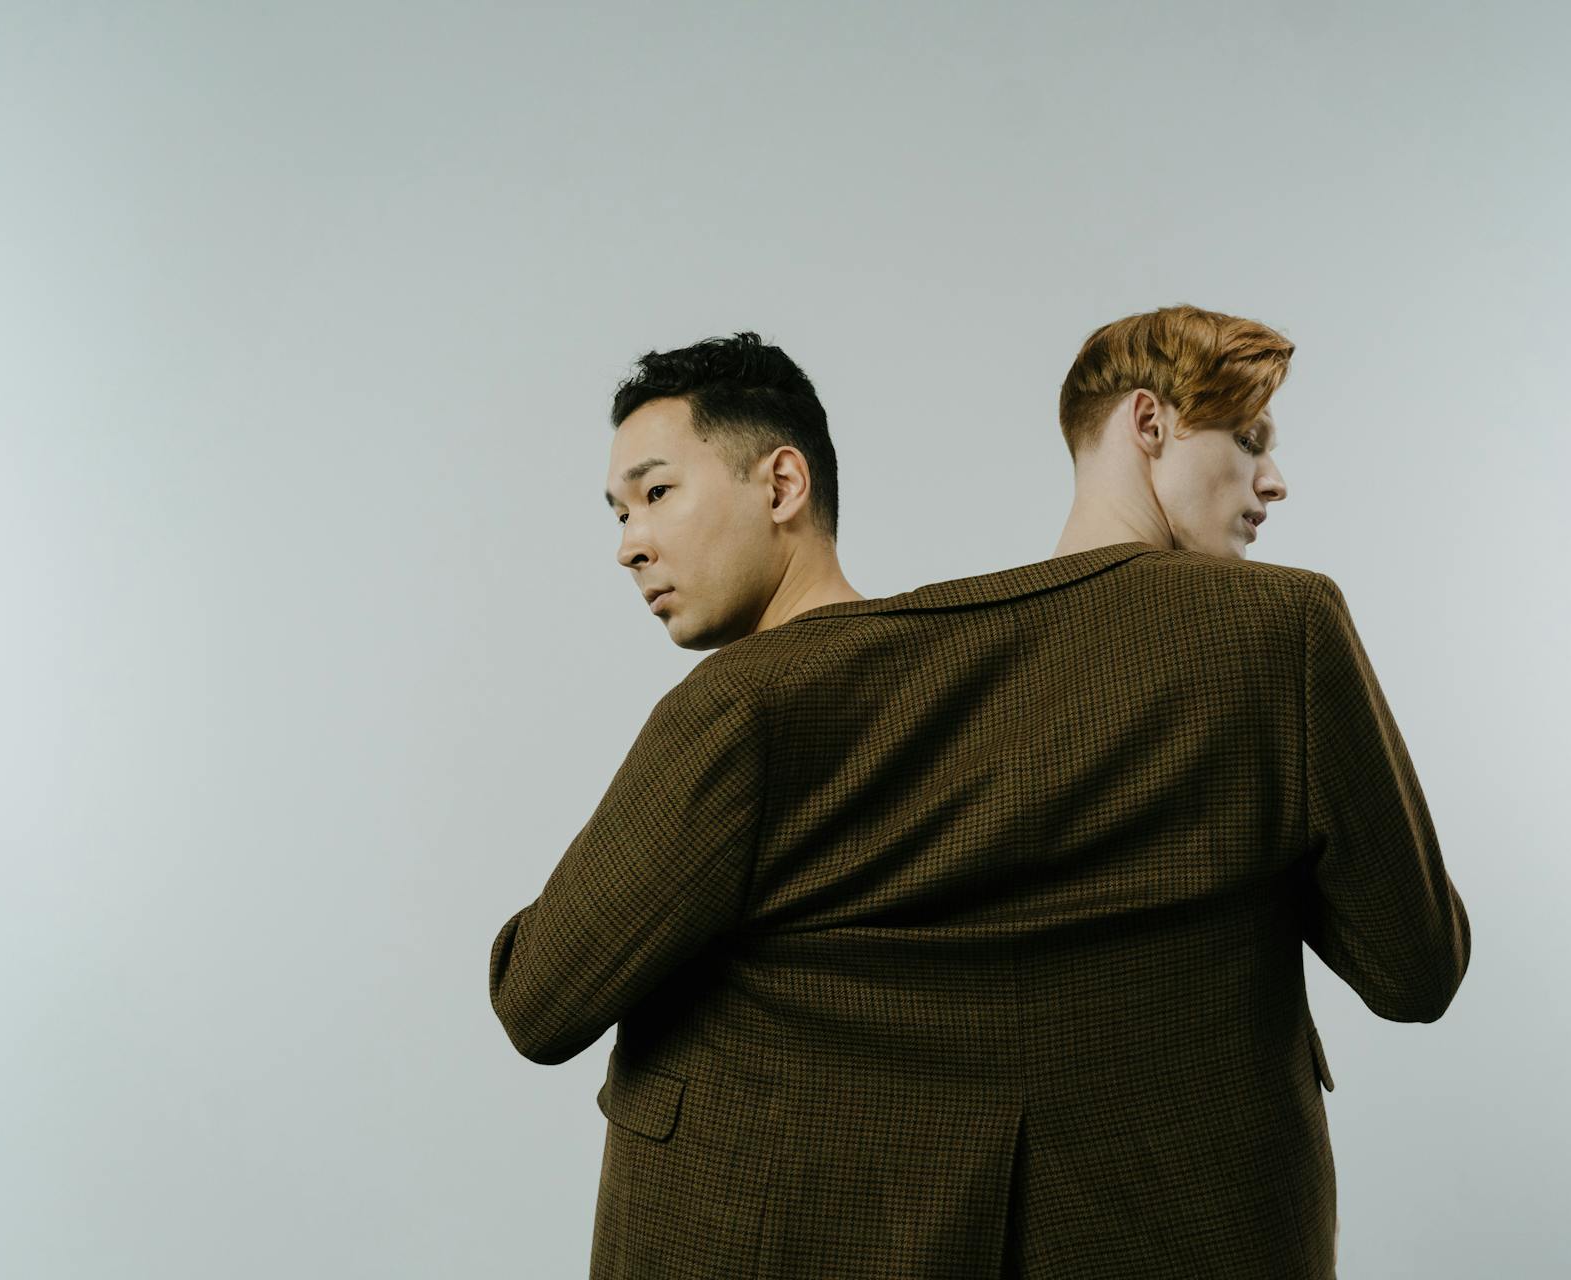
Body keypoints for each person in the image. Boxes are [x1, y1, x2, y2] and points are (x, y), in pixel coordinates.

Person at [489, 313, 1471, 1279]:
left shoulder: (749, 706)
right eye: (622, 511)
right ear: (1148, 426)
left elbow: (540, 995)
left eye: (654, 493)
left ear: (783, 481)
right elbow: (1412, 964)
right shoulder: (1276, 634)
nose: (630, 542)